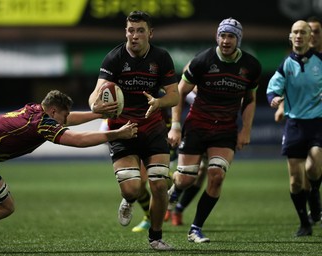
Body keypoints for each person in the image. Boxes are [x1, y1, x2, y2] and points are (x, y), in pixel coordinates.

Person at [0, 89, 138, 253]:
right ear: (53, 111)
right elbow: (77, 140)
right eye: (62, 119)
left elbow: (68, 118)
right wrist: (116, 134)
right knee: (4, 206)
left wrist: (96, 114)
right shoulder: (42, 124)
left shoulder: (34, 109)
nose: (64, 124)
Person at [89, 10, 179, 250]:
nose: (135, 35)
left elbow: (174, 96)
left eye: (140, 30)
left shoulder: (161, 57)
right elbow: (95, 94)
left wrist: (159, 102)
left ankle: (156, 237)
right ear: (125, 32)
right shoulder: (114, 58)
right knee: (133, 188)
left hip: (153, 127)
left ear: (150, 33)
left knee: (159, 185)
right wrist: (94, 104)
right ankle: (128, 199)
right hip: (122, 129)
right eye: (131, 30)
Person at [168, 18, 261, 243]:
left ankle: (195, 229)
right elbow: (178, 93)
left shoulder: (251, 66)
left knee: (216, 176)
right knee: (185, 180)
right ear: (217, 37)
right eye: (222, 35)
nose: (226, 40)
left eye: (231, 36)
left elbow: (250, 100)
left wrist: (245, 130)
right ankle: (172, 193)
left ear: (238, 39)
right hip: (197, 126)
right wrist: (176, 126)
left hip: (226, 129)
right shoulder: (202, 61)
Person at [267, 20, 322, 236]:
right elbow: (273, 89)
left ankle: (315, 197)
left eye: (303, 32)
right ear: (291, 37)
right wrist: (274, 100)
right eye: (295, 32)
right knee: (296, 180)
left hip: (317, 122)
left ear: (311, 38)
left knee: (314, 166)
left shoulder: (319, 61)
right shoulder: (286, 65)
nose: (299, 36)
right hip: (294, 124)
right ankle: (304, 223)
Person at [164, 88, 208, 226]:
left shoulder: (214, 90)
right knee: (174, 174)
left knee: (200, 173)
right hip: (181, 133)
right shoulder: (183, 92)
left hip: (207, 133)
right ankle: (168, 204)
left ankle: (178, 209)